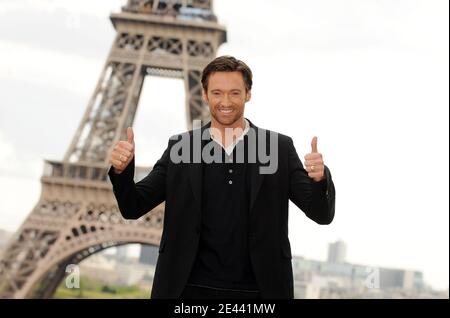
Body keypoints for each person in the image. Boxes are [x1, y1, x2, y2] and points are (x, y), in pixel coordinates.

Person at [108, 55, 336, 299]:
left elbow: (321, 214)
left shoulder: (277, 148)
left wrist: (320, 179)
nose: (225, 101)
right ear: (205, 94)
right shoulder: (181, 148)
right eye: (217, 93)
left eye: (234, 93)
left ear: (248, 94)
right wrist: (122, 171)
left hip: (259, 291)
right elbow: (133, 207)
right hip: (188, 291)